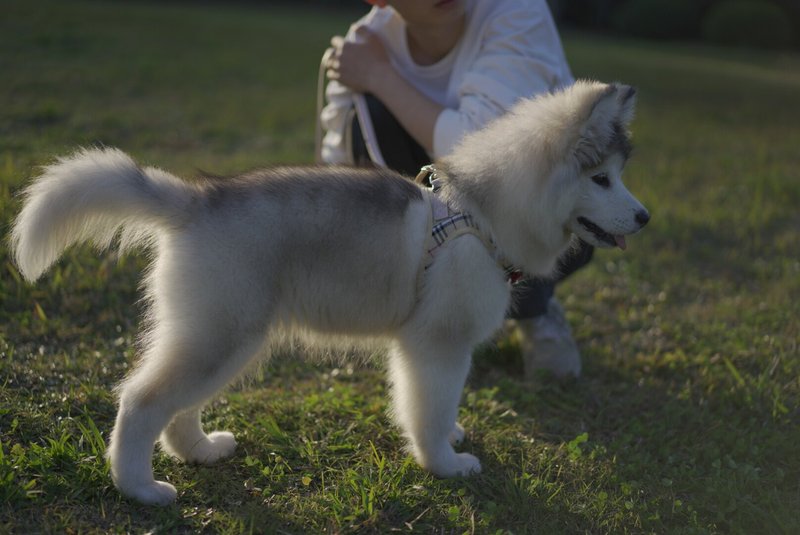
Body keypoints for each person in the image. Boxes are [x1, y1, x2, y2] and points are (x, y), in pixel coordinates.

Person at [318, 0, 593, 378]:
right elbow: (340, 168)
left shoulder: (517, 11)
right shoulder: (364, 44)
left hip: (544, 205)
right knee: (366, 116)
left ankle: (535, 309)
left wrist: (381, 74)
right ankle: (414, 313)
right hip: (437, 204)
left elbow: (491, 158)